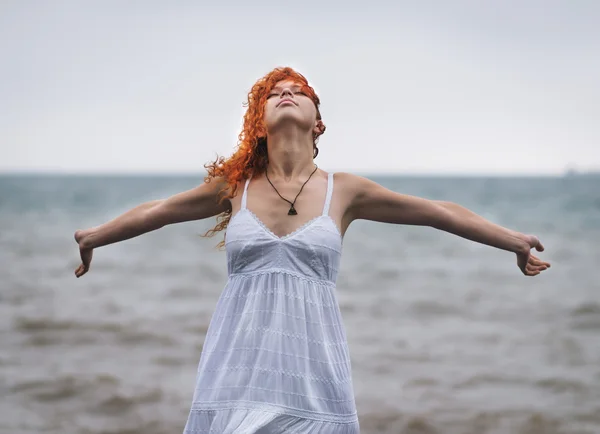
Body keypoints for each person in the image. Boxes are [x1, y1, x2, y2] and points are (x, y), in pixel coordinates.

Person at [73, 66, 551, 433]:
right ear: (258, 124)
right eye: (274, 92)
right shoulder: (234, 187)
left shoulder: (343, 191)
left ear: (319, 123)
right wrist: (95, 236)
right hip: (236, 367)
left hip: (314, 371)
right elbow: (158, 211)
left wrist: (511, 240)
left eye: (298, 90)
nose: (286, 92)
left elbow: (435, 210)